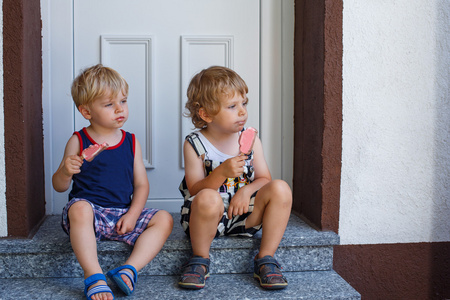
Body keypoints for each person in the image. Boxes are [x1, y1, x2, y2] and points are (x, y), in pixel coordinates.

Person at [52, 64, 173, 300]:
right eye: (109, 104)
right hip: (90, 215)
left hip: (122, 215)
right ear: (86, 112)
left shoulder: (131, 141)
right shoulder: (79, 140)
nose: (120, 109)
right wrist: (66, 171)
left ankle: (129, 269)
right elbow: (59, 185)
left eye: (123, 101)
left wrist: (132, 214)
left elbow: (141, 185)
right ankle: (94, 275)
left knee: (165, 219)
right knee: (78, 208)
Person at [178, 66, 292, 290]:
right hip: (205, 218)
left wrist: (246, 191)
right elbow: (194, 190)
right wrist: (221, 172)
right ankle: (200, 259)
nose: (242, 112)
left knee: (280, 188)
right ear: (206, 114)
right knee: (208, 197)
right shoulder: (195, 144)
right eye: (232, 106)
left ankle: (266, 258)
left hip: (243, 214)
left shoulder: (250, 140)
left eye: (244, 103)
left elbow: (264, 179)